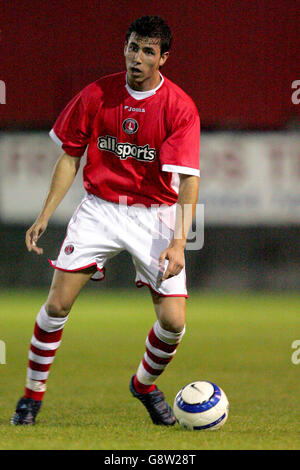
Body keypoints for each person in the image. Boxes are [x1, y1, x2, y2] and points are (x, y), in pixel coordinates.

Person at [11, 15, 200, 426]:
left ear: (163, 58)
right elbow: (70, 156)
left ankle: (144, 385)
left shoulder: (180, 107)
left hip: (154, 215)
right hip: (99, 208)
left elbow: (188, 183)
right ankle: (30, 397)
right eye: (133, 47)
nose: (137, 57)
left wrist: (179, 242)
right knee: (57, 303)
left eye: (148, 51)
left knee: (173, 323)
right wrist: (45, 214)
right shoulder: (97, 93)